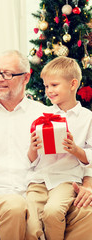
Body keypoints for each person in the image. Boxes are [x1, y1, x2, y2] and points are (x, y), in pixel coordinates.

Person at [0, 50, 92, 240]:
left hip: (36, 188)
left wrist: (88, 184)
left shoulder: (45, 115)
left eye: (7, 74)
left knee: (86, 212)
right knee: (20, 210)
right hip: (0, 193)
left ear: (26, 77)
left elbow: (65, 158)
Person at [26, 56, 92, 240]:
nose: (49, 91)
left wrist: (75, 149)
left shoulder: (87, 118)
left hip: (66, 180)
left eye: (54, 85)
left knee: (52, 213)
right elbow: (31, 159)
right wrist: (33, 148)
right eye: (46, 86)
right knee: (30, 224)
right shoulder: (42, 115)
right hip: (38, 180)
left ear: (73, 84)